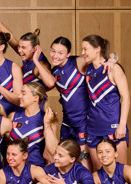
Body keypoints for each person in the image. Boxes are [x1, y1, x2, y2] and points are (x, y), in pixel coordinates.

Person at [43, 36, 118, 170]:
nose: (55, 56)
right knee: (63, 160)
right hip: (67, 122)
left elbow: (111, 54)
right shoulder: (54, 72)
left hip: (83, 122)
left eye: (61, 53)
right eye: (53, 51)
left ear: (68, 54)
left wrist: (112, 60)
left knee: (85, 163)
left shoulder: (79, 62)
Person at [82, 34, 130, 169]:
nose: (82, 53)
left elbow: (126, 97)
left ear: (97, 49)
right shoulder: (88, 67)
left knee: (119, 173)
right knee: (100, 175)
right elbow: (113, 54)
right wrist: (113, 56)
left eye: (85, 49)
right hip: (93, 127)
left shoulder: (114, 69)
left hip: (112, 125)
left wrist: (122, 124)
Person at [0, 7, 53, 88]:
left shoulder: (41, 64)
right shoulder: (27, 55)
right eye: (19, 46)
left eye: (23, 47)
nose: (19, 50)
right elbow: (10, 37)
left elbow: (51, 84)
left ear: (34, 49)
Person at [8, 83, 48, 166]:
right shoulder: (13, 116)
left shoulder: (46, 118)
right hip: (14, 170)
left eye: (24, 93)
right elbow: (7, 142)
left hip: (37, 169)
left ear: (35, 98)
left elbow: (51, 151)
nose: (19, 96)